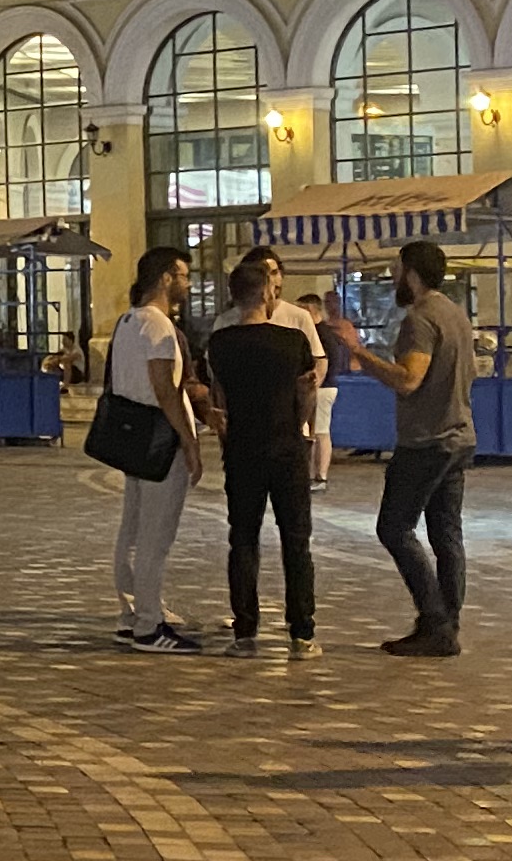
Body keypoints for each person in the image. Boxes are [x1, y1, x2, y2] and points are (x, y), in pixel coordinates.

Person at [323, 238, 475, 657]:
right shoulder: (456, 315)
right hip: (458, 437)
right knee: (446, 534)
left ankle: (435, 622)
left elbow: (409, 379)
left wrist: (358, 353)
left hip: (426, 441)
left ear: (411, 272)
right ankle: (448, 623)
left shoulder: (421, 319)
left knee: (394, 528)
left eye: (395, 268)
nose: (392, 277)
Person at [203, 246, 324, 656]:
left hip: (242, 450)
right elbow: (305, 397)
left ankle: (245, 630)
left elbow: (219, 398)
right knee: (296, 541)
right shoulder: (292, 341)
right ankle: (301, 631)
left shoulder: (220, 343)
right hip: (287, 448)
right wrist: (304, 421)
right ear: (266, 296)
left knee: (243, 539)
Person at [105, 245, 202, 649]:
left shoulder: (127, 323)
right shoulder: (160, 327)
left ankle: (132, 613)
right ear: (165, 278)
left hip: (133, 439)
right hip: (160, 441)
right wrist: (190, 442)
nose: (187, 284)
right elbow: (166, 391)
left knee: (132, 531)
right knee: (155, 538)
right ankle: (149, 625)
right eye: (183, 276)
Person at [292, 290, 340, 486]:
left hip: (322, 387)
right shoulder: (324, 332)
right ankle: (315, 475)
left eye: (301, 311)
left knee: (319, 432)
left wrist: (313, 385)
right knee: (317, 431)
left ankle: (320, 475)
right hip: (323, 387)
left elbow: (324, 363)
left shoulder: (320, 334)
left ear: (311, 310)